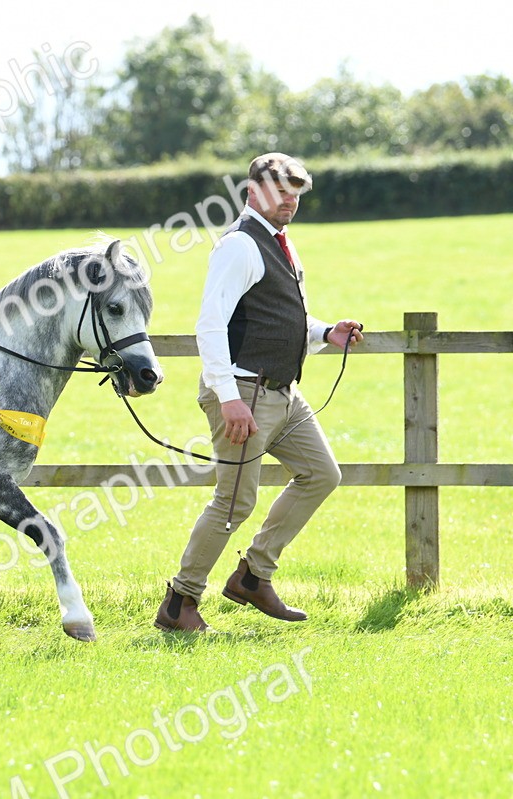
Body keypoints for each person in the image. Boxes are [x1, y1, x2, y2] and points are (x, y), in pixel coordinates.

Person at [156, 152, 364, 633]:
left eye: (295, 195)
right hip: (244, 392)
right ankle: (179, 603)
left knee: (321, 474)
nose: (290, 202)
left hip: (282, 393)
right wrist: (228, 398)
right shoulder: (239, 246)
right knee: (234, 503)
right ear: (253, 192)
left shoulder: (279, 242)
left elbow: (276, 316)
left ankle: (253, 575)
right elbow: (210, 325)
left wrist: (325, 332)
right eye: (280, 193)